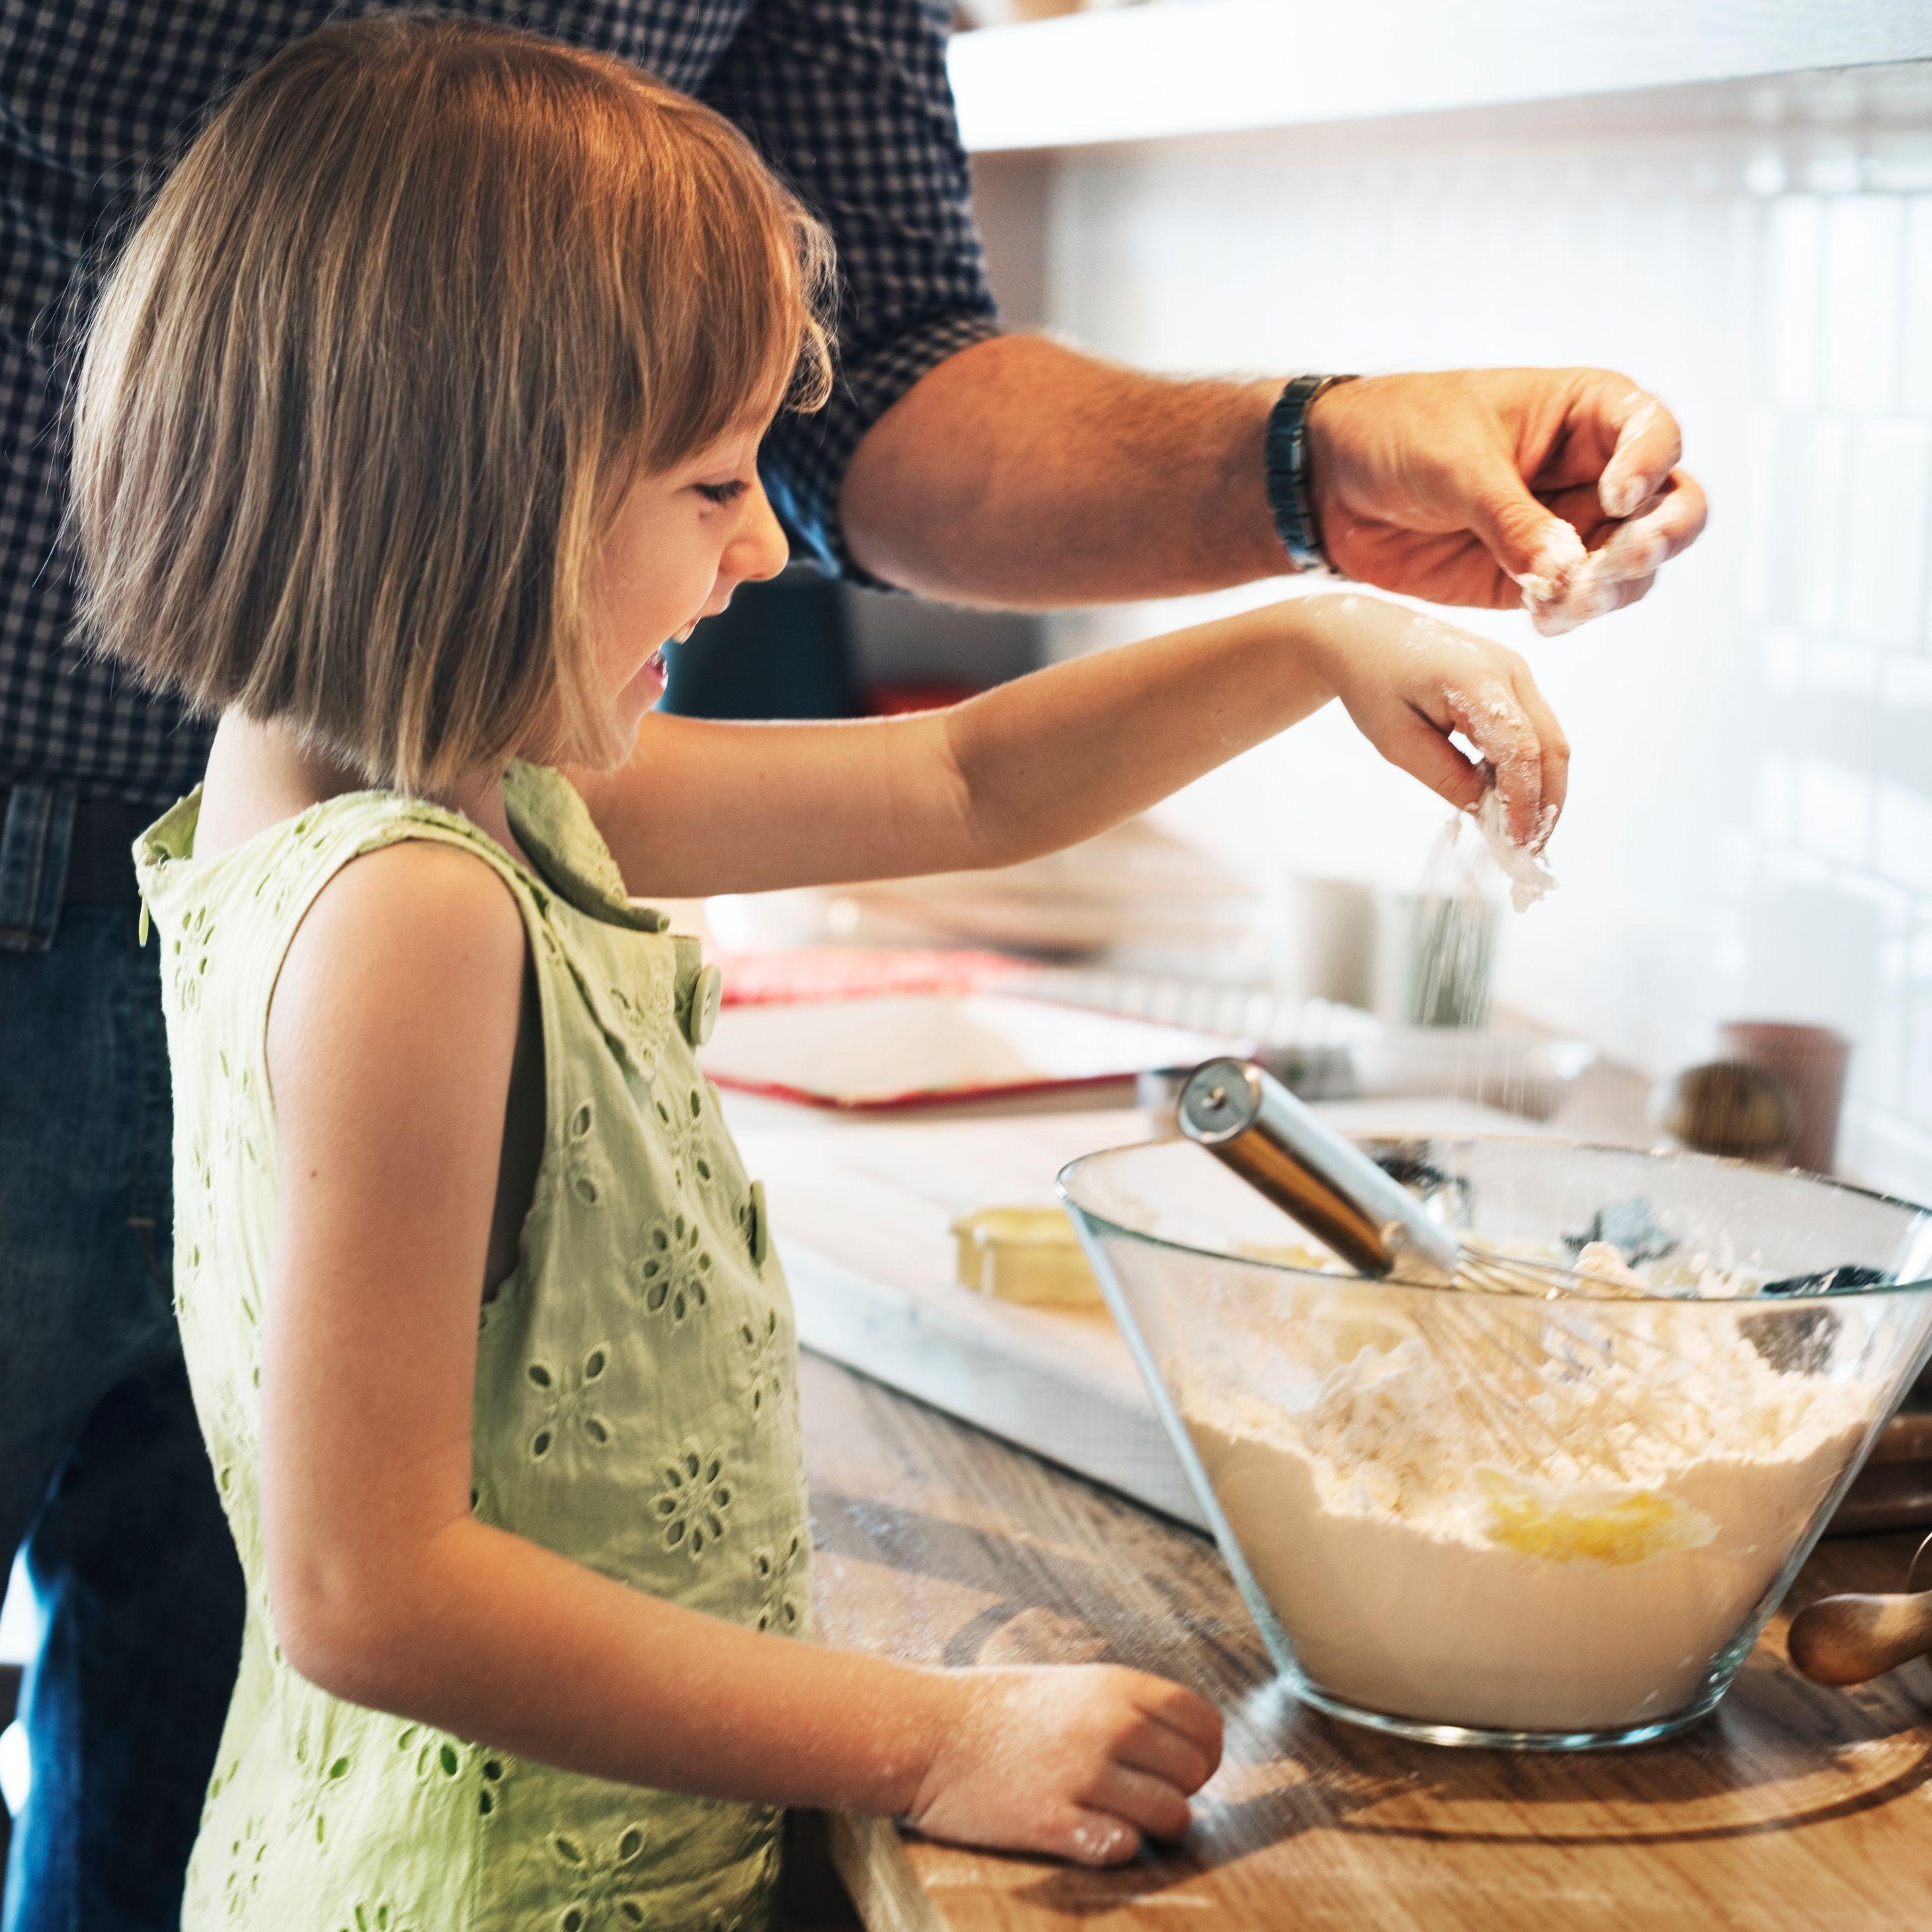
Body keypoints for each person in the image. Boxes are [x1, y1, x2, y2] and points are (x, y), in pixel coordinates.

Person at [0, 3, 1700, 1928]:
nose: (755, 557)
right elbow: (366, 1591)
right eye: (712, 487)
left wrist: (1315, 639)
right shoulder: (411, 905)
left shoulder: (369, 779)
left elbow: (958, 776)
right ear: (479, 484)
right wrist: (931, 1735)